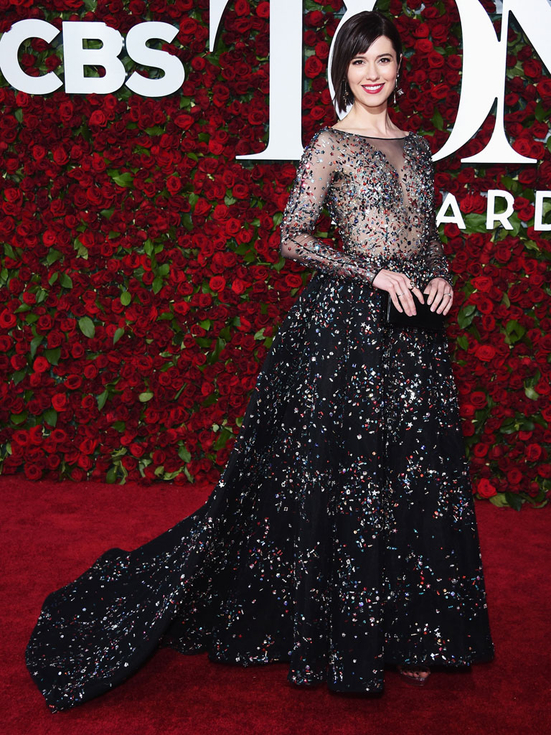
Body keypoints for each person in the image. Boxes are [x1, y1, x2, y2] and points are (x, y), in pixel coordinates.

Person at [26, 10, 494, 711]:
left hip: (413, 336)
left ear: (400, 68)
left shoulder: (420, 147)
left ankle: (410, 635)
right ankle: (349, 632)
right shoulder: (330, 143)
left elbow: (425, 239)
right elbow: (292, 236)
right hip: (345, 332)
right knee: (351, 480)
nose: (372, 73)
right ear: (341, 71)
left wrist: (441, 276)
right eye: (359, 61)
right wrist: (372, 273)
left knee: (411, 477)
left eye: (384, 60)